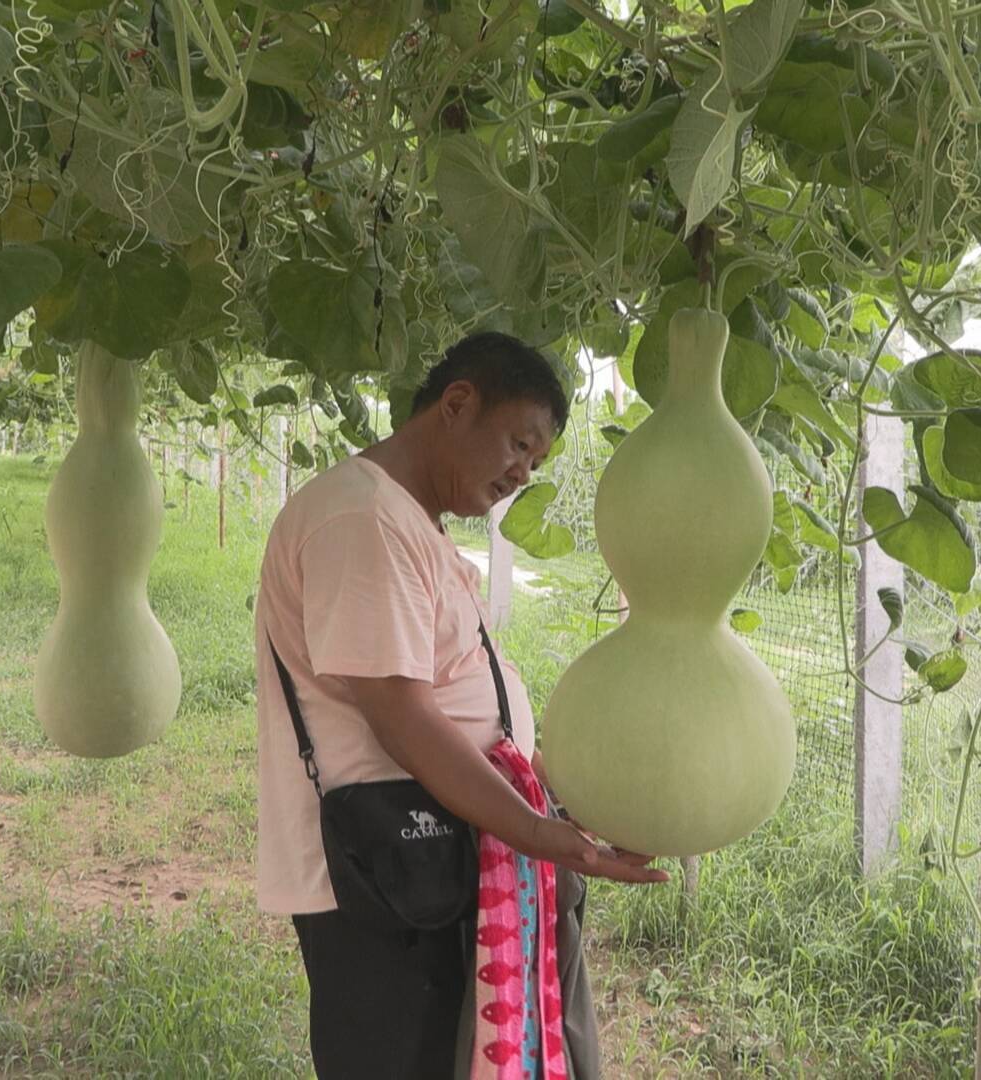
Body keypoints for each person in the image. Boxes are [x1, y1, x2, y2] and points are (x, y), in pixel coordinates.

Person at [252, 331, 669, 1079]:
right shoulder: (361, 518)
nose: (521, 472)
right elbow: (403, 718)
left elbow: (457, 697)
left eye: (536, 462)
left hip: (449, 857)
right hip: (394, 875)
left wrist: (567, 814)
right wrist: (539, 832)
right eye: (518, 443)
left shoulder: (409, 519)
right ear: (457, 403)